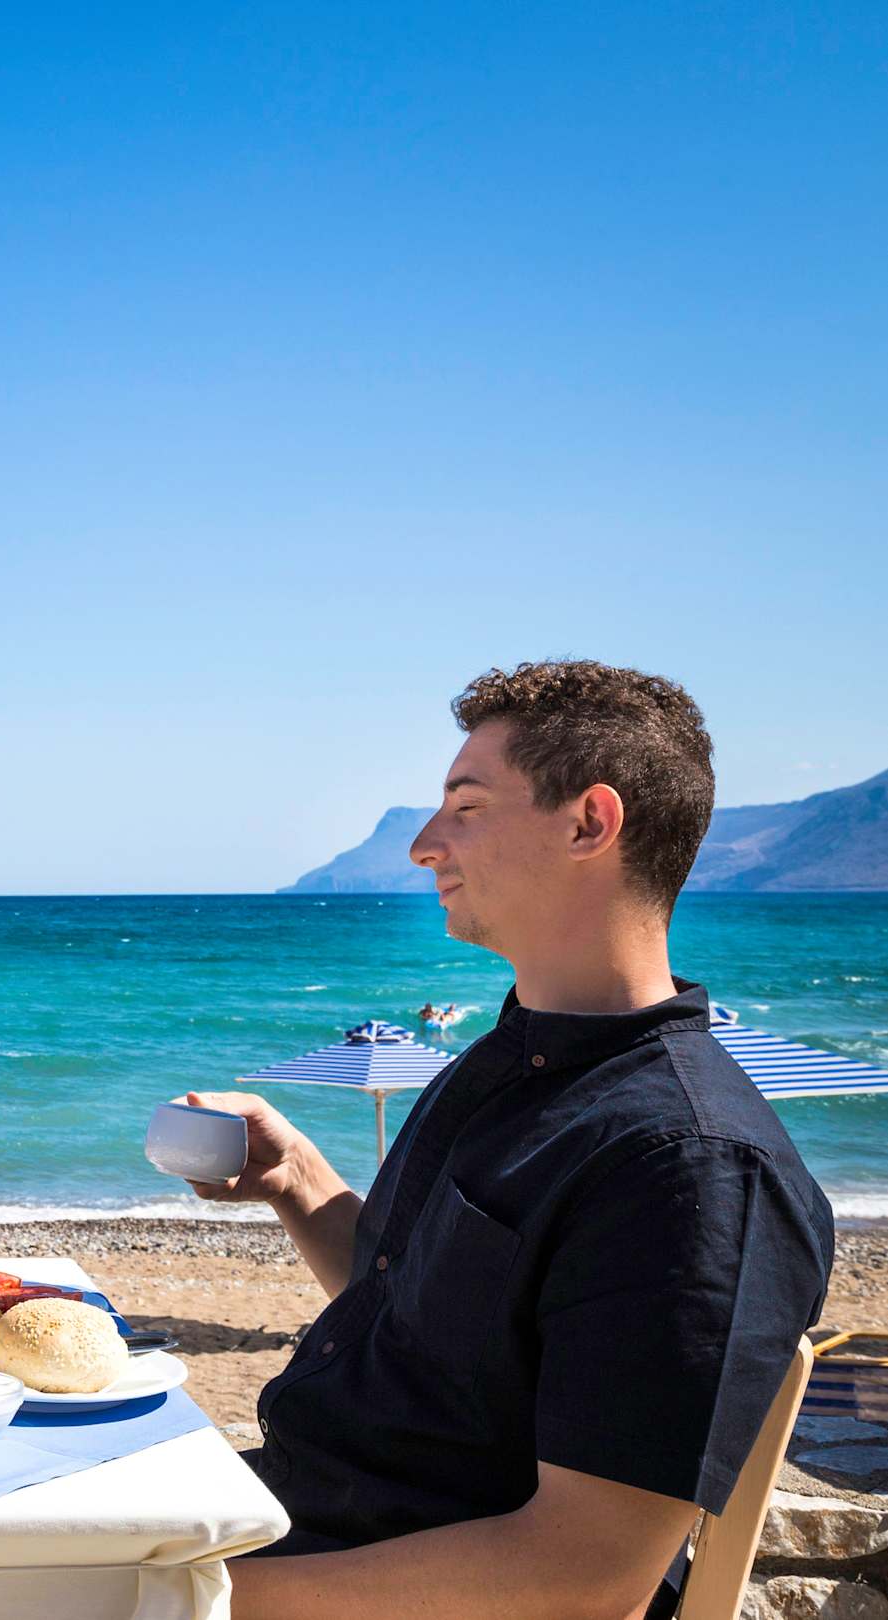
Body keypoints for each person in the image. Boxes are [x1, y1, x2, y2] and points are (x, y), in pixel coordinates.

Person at [177, 661, 832, 1620]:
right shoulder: (507, 1065)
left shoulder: (690, 1165)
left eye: (466, 807)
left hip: (354, 1581)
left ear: (588, 824)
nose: (421, 846)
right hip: (300, 1519)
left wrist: (182, 1598)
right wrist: (298, 1180)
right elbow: (419, 1317)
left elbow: (584, 1574)